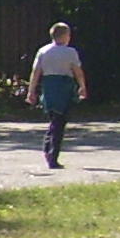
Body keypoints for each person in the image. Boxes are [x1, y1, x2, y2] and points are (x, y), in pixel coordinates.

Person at [26, 22, 85, 169]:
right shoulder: (70, 52)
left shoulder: (43, 51)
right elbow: (77, 70)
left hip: (49, 86)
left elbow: (36, 72)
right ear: (65, 36)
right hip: (64, 86)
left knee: (54, 118)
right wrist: (82, 86)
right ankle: (52, 154)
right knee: (60, 122)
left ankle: (48, 148)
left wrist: (31, 90)